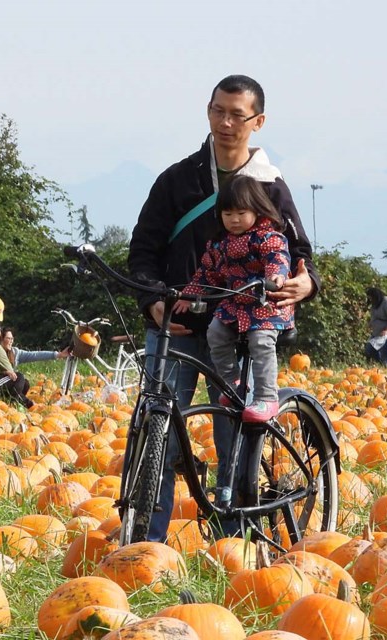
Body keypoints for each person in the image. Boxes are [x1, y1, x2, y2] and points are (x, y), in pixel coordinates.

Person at [127, 74, 320, 542]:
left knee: (231, 436)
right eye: (218, 110)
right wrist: (154, 301)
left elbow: (301, 255)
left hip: (238, 326)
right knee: (159, 435)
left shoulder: (270, 186)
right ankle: (144, 546)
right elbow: (143, 251)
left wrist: (303, 284)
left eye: (238, 114)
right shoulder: (177, 180)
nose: (226, 122)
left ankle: (235, 542)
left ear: (258, 122)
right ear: (207, 111)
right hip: (176, 324)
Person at [173, 175, 294, 423]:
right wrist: (190, 293)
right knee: (215, 333)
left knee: (261, 342)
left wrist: (276, 277)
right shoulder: (220, 245)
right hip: (235, 304)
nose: (234, 219)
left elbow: (278, 259)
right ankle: (231, 382)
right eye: (228, 214)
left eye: (241, 212)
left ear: (257, 210)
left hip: (265, 304)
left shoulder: (267, 237)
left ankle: (267, 397)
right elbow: (206, 272)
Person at [0, 326, 72, 408]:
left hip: (9, 385)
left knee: (25, 383)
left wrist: (58, 355)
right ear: (1, 339)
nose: (11, 341)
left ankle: (13, 401)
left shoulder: (14, 353)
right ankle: (28, 404)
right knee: (19, 377)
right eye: (8, 338)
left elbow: (35, 355)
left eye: (12, 339)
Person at [364, 286, 387, 366]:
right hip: (377, 334)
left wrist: (386, 329)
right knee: (369, 350)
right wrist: (370, 325)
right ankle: (381, 366)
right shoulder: (374, 304)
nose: (370, 300)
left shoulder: (386, 301)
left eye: (371, 298)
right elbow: (374, 317)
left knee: (386, 357)